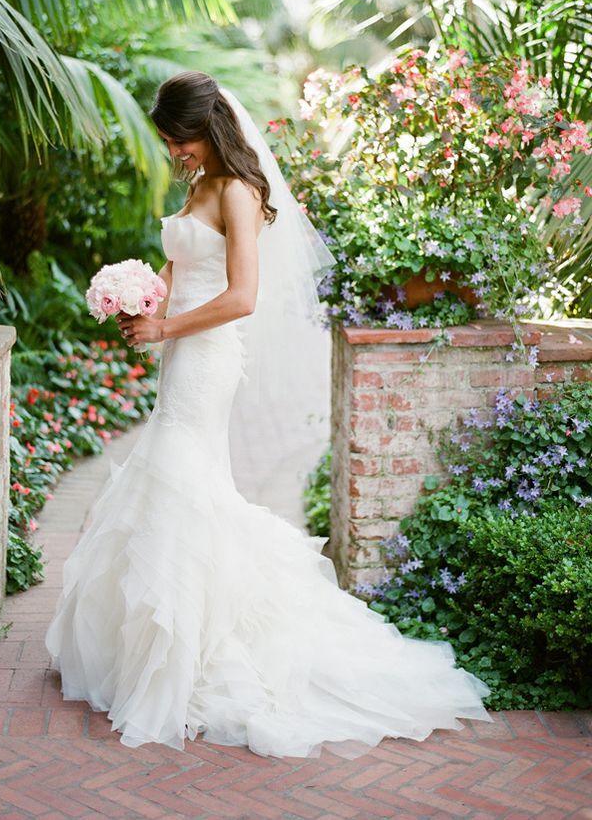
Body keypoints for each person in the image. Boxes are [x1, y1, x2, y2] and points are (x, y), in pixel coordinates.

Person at [44, 71, 489, 759]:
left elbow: (243, 294)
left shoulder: (240, 192)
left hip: (207, 354)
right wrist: (144, 297)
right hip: (179, 348)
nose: (175, 155)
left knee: (178, 476)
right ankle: (166, 643)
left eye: (179, 141)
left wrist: (170, 328)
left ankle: (193, 646)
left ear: (206, 127)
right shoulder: (198, 185)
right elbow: (178, 262)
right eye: (169, 144)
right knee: (178, 480)